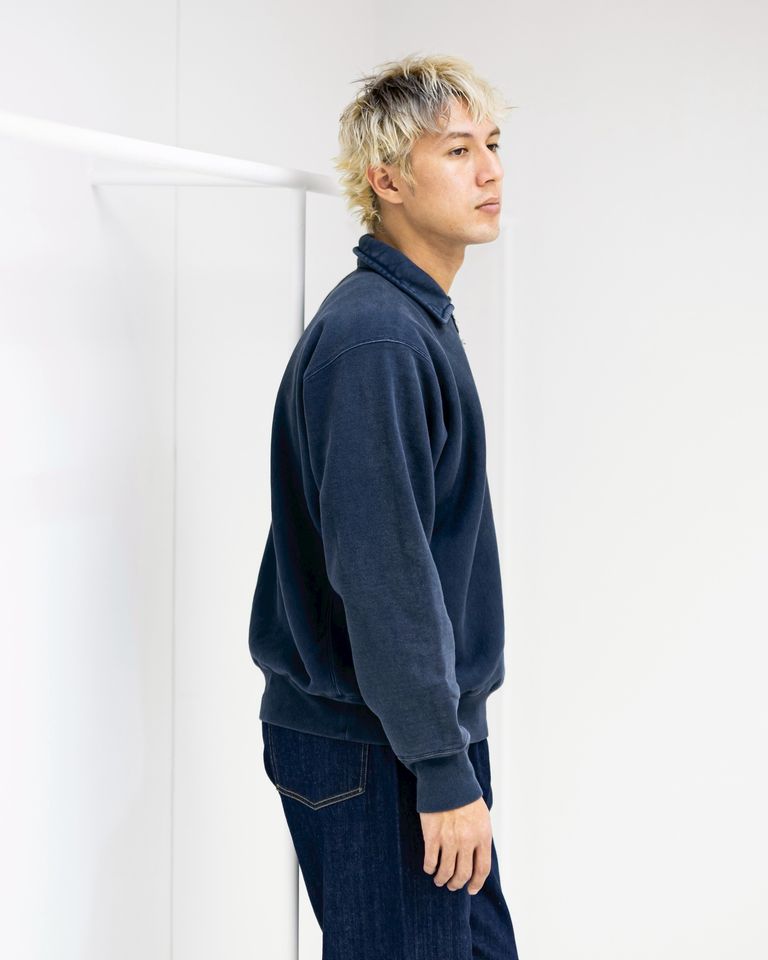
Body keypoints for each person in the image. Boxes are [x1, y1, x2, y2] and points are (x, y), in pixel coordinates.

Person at [248, 52, 520, 959]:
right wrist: (439, 767)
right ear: (388, 180)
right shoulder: (377, 340)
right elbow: (382, 573)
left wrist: (447, 751)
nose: (489, 170)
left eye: (493, 144)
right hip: (378, 748)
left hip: (412, 734)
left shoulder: (412, 320)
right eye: (458, 151)